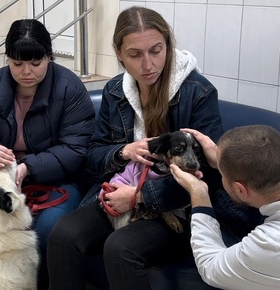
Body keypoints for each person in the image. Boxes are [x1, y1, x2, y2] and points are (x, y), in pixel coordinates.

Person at [47, 6, 263, 290]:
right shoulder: (115, 92)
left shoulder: (198, 93)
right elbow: (93, 156)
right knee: (63, 233)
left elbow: (208, 175)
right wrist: (123, 152)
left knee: (120, 248)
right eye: (135, 54)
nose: (147, 64)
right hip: (120, 193)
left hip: (179, 205)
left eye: (156, 51)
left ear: (168, 46)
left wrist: (139, 198)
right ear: (119, 53)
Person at [0, 19, 95, 290]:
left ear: (49, 58)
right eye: (17, 64)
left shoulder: (69, 88)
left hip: (60, 180)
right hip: (7, 183)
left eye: (35, 63)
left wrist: (28, 166)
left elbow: (76, 148)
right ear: (8, 60)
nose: (26, 71)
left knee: (46, 229)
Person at [170, 125, 280, 290]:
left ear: (241, 190)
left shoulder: (276, 241)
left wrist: (198, 194)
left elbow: (211, 266)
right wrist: (221, 159)